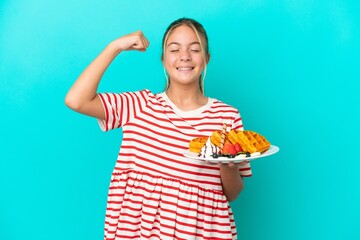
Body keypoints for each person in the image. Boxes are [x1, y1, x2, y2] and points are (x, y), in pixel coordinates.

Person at [65, 17, 252, 240]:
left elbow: (232, 193)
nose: (185, 56)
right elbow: (77, 100)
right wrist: (114, 47)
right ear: (164, 60)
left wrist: (227, 165)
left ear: (206, 59)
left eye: (195, 49)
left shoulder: (226, 117)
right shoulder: (139, 105)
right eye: (175, 50)